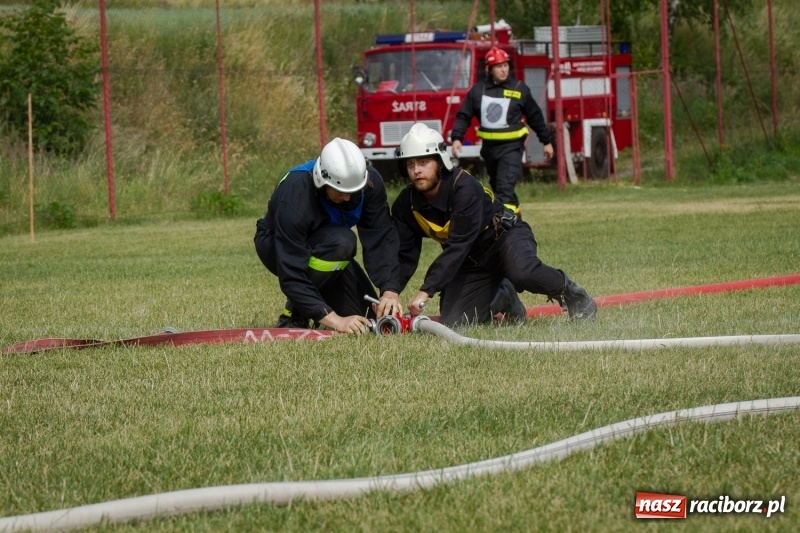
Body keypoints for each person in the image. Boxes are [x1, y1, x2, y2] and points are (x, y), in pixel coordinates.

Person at [391, 123, 596, 327]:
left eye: (424, 162)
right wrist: (391, 291)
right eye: (411, 164)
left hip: (505, 238)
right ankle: (504, 294)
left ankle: (574, 294)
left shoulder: (463, 188)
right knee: (457, 322)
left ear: (440, 161)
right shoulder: (406, 204)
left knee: (523, 272)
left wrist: (426, 290)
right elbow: (404, 255)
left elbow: (458, 246)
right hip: (471, 260)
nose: (417, 170)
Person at [254, 138, 403, 335]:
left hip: (330, 248)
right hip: (276, 244)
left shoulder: (369, 182)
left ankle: (314, 301)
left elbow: (381, 237)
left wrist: (390, 290)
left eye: (353, 191)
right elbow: (291, 273)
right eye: (341, 191)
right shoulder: (296, 194)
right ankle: (294, 313)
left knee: (366, 317)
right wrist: (336, 321)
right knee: (343, 242)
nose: (348, 198)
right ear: (321, 180)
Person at [450, 46, 554, 214]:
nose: (504, 69)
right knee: (498, 188)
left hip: (512, 148)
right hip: (489, 149)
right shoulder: (478, 91)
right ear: (489, 69)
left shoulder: (519, 89)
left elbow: (535, 116)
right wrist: (457, 138)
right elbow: (464, 115)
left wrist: (546, 142)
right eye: (499, 66)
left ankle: (506, 226)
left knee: (504, 187)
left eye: (505, 65)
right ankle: (515, 220)